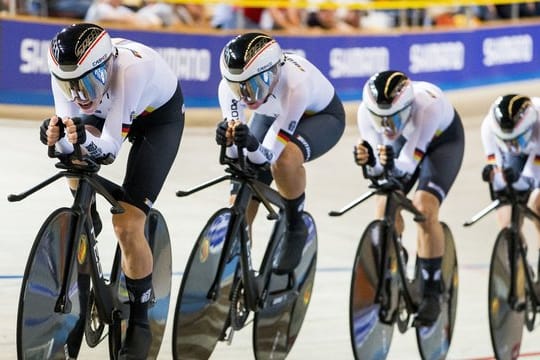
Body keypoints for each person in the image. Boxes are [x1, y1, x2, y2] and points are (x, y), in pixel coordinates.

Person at [41, 23, 185, 359]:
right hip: (110, 113)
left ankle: (140, 320)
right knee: (74, 156)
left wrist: (74, 137)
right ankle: (87, 217)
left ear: (106, 66)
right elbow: (69, 131)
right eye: (69, 86)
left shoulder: (130, 71)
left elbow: (107, 149)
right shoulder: (65, 73)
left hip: (157, 120)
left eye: (87, 83)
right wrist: (54, 136)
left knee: (128, 223)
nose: (79, 95)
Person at [215, 32, 345, 274]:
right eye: (238, 87)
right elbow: (236, 157)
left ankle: (295, 225)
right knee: (242, 180)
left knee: (284, 162)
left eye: (254, 85)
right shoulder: (227, 87)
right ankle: (238, 271)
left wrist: (250, 144)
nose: (246, 96)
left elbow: (269, 155)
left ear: (273, 72)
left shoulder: (296, 86)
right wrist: (228, 139)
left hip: (320, 117)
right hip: (272, 112)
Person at [353, 70, 464, 326]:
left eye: (392, 118)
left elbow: (409, 160)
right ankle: (396, 254)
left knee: (424, 207)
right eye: (379, 120)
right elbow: (377, 170)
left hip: (441, 143)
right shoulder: (365, 113)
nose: (385, 126)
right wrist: (367, 161)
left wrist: (382, 166)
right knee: (384, 203)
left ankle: (432, 289)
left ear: (407, 106)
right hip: (405, 142)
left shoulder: (427, 107)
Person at [480, 94, 540, 275]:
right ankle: (520, 268)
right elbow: (498, 174)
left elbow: (532, 175)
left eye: (516, 140)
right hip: (517, 155)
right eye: (505, 140)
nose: (512, 144)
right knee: (507, 220)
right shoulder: (488, 128)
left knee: (537, 205)